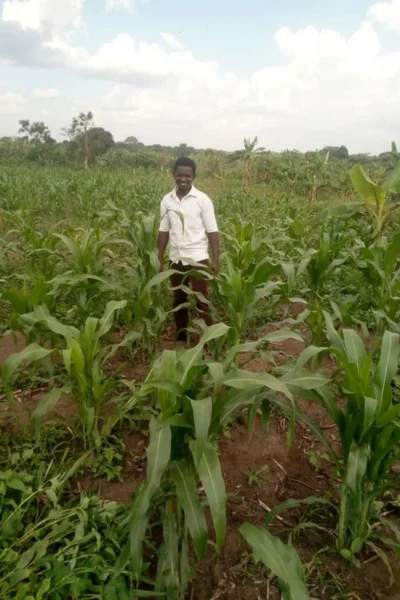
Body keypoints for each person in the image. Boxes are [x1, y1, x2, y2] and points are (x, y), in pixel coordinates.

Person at [157, 157, 219, 341]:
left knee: (202, 300)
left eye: (187, 175)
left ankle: (209, 338)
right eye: (179, 175)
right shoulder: (167, 200)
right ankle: (181, 336)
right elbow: (163, 230)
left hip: (198, 257)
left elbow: (212, 231)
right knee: (179, 299)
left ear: (194, 176)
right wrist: (159, 257)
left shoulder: (202, 200)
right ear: (173, 175)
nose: (183, 179)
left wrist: (215, 259)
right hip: (176, 258)